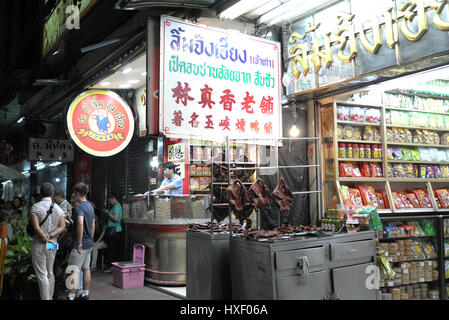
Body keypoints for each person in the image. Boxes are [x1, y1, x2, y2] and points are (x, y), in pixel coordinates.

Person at [30, 182, 65, 300]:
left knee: (42, 274)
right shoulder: (59, 209)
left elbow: (35, 227)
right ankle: (49, 297)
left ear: (40, 193)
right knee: (50, 272)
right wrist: (50, 236)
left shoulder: (36, 207)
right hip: (53, 244)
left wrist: (44, 237)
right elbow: (62, 227)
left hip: (39, 244)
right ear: (52, 194)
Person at [66, 182, 95, 300]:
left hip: (80, 245)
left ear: (77, 194)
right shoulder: (90, 206)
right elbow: (92, 224)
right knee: (86, 268)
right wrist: (90, 239)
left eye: (74, 193)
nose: (73, 195)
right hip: (89, 243)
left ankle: (71, 296)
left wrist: (79, 242)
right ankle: (85, 294)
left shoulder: (79, 207)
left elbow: (80, 222)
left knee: (73, 270)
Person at [102, 191, 122, 273]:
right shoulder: (116, 206)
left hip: (115, 231)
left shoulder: (117, 206)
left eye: (110, 199)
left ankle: (112, 267)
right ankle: (112, 267)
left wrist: (107, 213)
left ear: (113, 198)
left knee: (113, 250)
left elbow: (115, 219)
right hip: (113, 231)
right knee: (111, 249)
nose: (109, 201)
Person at [90, 202, 107, 272]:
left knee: (94, 247)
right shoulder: (93, 223)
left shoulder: (101, 222)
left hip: (104, 241)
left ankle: (93, 267)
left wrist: (96, 242)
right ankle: (88, 266)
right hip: (96, 242)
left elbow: (103, 232)